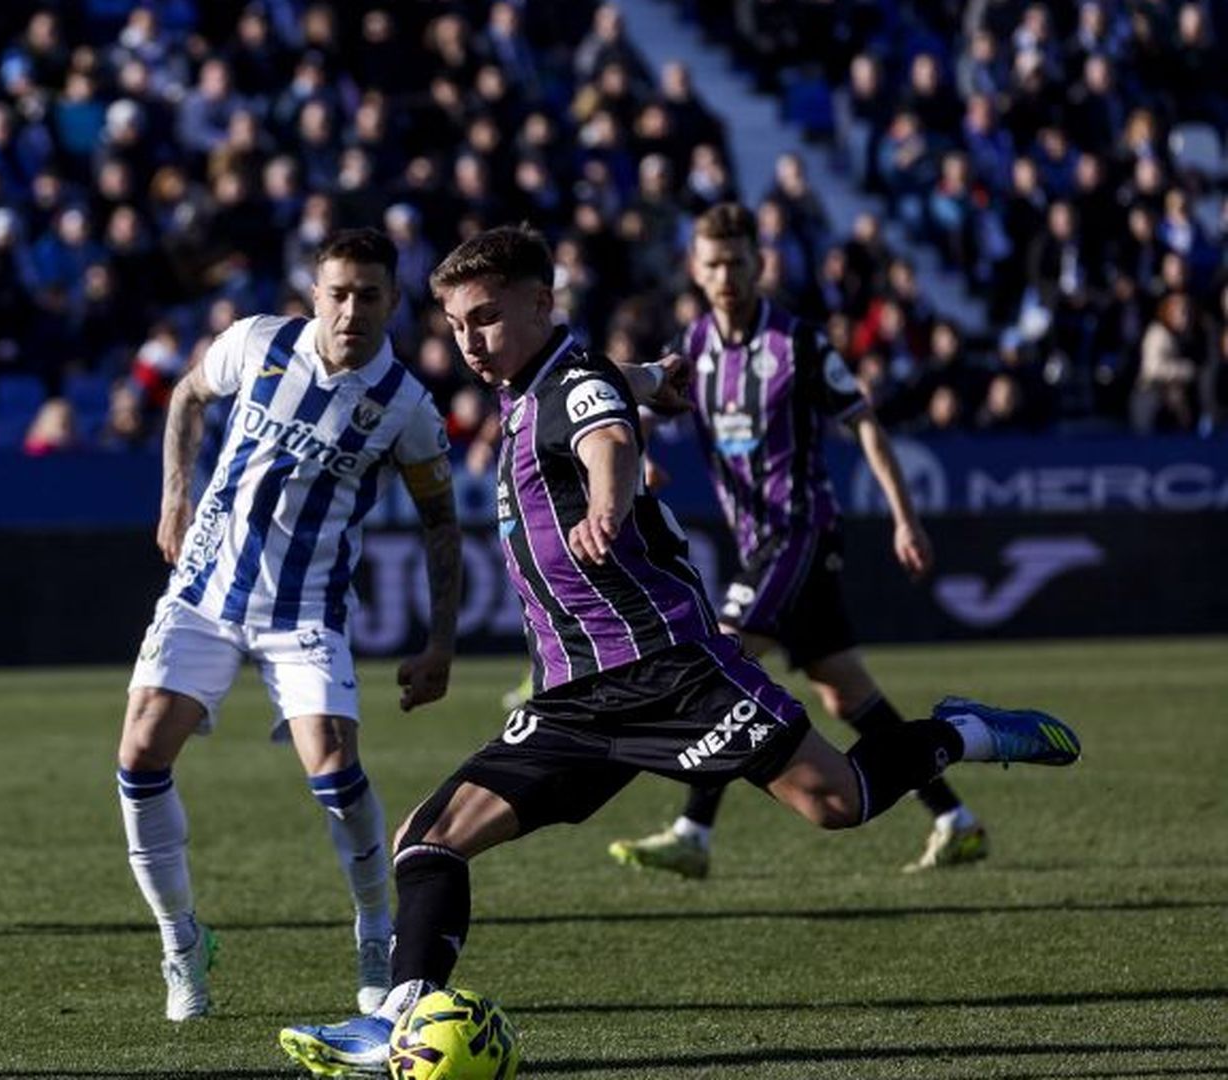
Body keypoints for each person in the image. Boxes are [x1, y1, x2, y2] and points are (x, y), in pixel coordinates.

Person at [277, 227, 1081, 1076]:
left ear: (543, 303)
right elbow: (606, 389)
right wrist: (657, 378)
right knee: (428, 841)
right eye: (455, 324)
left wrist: (607, 506)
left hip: (673, 670)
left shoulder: (572, 386)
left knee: (837, 803)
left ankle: (964, 733)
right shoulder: (534, 388)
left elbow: (607, 441)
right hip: (572, 702)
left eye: (485, 318)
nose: (470, 342)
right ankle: (395, 1021)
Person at [117, 228, 463, 1022]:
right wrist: (174, 495)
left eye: (368, 295)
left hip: (304, 609)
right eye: (337, 293)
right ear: (315, 294)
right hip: (205, 591)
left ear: (392, 302)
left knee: (335, 773)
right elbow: (185, 397)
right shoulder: (256, 344)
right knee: (139, 756)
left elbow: (441, 522)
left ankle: (375, 931)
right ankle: (182, 944)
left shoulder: (405, 405)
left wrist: (440, 639)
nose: (351, 311)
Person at [608, 202, 984, 878]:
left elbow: (863, 423)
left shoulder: (798, 343)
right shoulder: (692, 349)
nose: (725, 274)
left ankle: (694, 830)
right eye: (713, 263)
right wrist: (637, 459)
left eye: (737, 261)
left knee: (720, 658)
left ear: (760, 263)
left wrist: (905, 517)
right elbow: (637, 410)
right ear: (695, 269)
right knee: (846, 694)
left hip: (799, 532)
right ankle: (956, 818)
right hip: (759, 540)